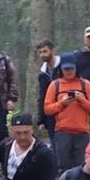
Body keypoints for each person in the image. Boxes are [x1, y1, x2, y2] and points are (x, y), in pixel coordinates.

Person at [43, 52, 90, 171]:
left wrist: (82, 100)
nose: (69, 71)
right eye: (66, 69)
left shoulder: (86, 84)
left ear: (76, 67)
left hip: (82, 132)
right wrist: (62, 104)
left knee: (80, 167)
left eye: (71, 68)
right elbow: (47, 109)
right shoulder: (55, 85)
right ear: (61, 68)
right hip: (62, 132)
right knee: (63, 167)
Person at [35, 39, 61, 169]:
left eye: (45, 51)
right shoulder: (43, 73)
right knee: (53, 142)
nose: (43, 54)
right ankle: (56, 170)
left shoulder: (63, 67)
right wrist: (41, 119)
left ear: (52, 50)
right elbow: (42, 96)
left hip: (66, 111)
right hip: (50, 112)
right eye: (40, 52)